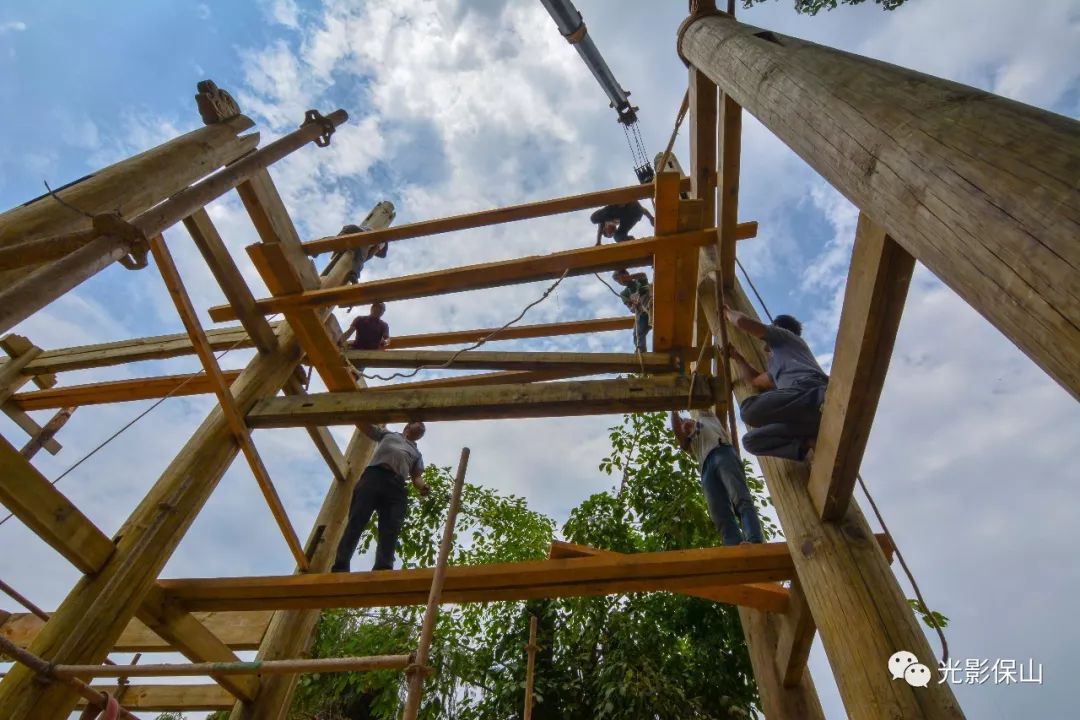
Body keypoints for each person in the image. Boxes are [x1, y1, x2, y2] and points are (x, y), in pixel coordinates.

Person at [724, 307, 829, 462]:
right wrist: (737, 357)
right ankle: (805, 442)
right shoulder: (777, 365)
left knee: (748, 410)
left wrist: (726, 311)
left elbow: (741, 322)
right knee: (750, 441)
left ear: (776, 328)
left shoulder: (786, 336)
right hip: (804, 417)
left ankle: (820, 402)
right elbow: (755, 380)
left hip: (810, 390)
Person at [331, 421, 430, 572]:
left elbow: (416, 476)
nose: (423, 428)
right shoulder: (387, 434)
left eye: (423, 430)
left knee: (391, 528)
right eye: (419, 424)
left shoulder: (417, 453)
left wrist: (422, 486)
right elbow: (365, 426)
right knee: (357, 520)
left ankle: (383, 567)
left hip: (397, 485)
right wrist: (357, 413)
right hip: (374, 476)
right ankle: (341, 565)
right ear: (407, 426)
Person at [670, 409, 764, 545]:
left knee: (740, 498)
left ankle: (754, 541)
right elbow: (680, 435)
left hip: (722, 451)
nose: (684, 424)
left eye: (685, 421)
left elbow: (701, 402)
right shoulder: (692, 444)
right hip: (706, 468)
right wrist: (674, 411)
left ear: (692, 420)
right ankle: (733, 546)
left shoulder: (705, 418)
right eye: (681, 424)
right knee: (720, 513)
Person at [612, 269, 651, 352]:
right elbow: (631, 308)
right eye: (618, 281)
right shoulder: (624, 293)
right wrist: (634, 306)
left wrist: (629, 277)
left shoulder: (639, 282)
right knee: (637, 332)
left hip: (651, 307)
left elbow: (643, 275)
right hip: (642, 313)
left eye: (621, 278)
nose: (621, 281)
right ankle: (641, 351)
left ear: (627, 274)